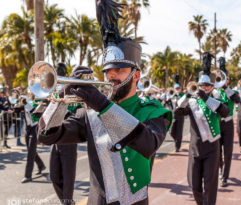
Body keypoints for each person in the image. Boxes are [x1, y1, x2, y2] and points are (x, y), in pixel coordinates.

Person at [38, 1, 172, 204]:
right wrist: (62, 96)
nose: (111, 76)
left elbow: (148, 144)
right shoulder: (90, 113)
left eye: (119, 70)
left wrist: (102, 105)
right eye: (108, 71)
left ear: (136, 75)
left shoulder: (153, 112)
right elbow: (47, 136)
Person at [175, 52, 229, 205]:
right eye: (201, 86)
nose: (204, 88)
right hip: (195, 149)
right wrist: (186, 95)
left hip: (212, 148)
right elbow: (177, 112)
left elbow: (225, 112)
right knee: (194, 186)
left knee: (210, 186)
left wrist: (207, 98)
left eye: (207, 86)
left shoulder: (216, 99)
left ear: (212, 87)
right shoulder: (192, 102)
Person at [49, 63, 78, 205]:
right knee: (54, 177)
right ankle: (68, 202)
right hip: (55, 135)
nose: (58, 72)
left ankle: (67, 202)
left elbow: (78, 109)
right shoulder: (54, 88)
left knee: (68, 178)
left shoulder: (73, 87)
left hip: (68, 135)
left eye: (60, 71)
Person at [212, 57, 241, 187]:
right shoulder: (214, 92)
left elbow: (237, 100)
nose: (222, 81)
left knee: (228, 151)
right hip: (217, 123)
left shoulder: (232, 92)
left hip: (228, 124)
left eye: (225, 79)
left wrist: (226, 88)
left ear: (228, 80)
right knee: (217, 150)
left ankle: (225, 176)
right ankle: (219, 169)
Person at [21, 97, 46, 183]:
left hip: (35, 128)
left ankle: (27, 176)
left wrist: (25, 103)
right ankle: (41, 165)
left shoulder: (40, 101)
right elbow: (16, 110)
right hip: (27, 128)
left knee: (31, 152)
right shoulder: (26, 101)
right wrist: (17, 101)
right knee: (30, 150)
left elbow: (35, 113)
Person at [170, 74, 185, 152]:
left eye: (178, 88)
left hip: (181, 114)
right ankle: (177, 140)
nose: (177, 89)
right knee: (172, 131)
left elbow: (183, 103)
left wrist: (179, 95)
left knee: (179, 131)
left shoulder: (182, 95)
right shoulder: (172, 95)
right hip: (174, 114)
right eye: (176, 88)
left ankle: (177, 146)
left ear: (180, 89)